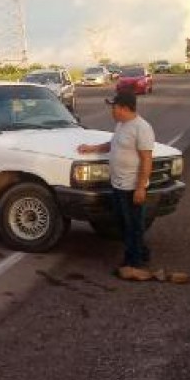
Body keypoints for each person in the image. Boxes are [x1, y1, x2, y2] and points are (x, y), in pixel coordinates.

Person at [77, 90, 155, 270]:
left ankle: (133, 262)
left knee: (133, 225)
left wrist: (141, 188)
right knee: (122, 223)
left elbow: (146, 159)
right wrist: (92, 148)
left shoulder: (141, 128)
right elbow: (113, 144)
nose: (112, 111)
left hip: (132, 187)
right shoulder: (121, 125)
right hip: (118, 185)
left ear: (125, 108)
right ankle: (141, 251)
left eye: (114, 107)